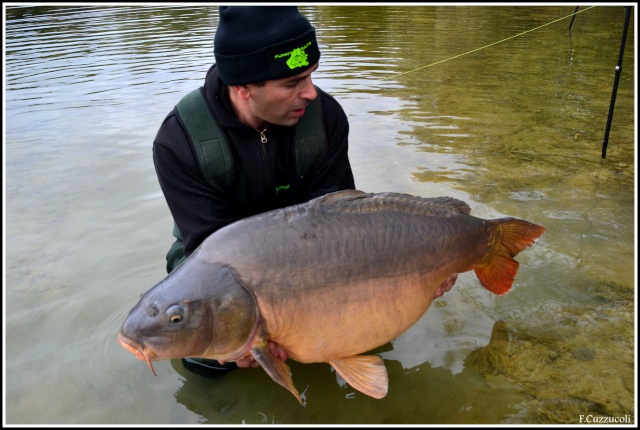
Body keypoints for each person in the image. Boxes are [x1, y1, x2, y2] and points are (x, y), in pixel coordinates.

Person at [152, 6, 356, 377]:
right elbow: (209, 251)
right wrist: (243, 336)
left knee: (353, 331)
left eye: (311, 76)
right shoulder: (179, 141)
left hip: (310, 249)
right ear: (243, 88)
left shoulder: (326, 118)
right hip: (213, 254)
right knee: (206, 356)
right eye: (293, 83)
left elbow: (339, 226)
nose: (310, 92)